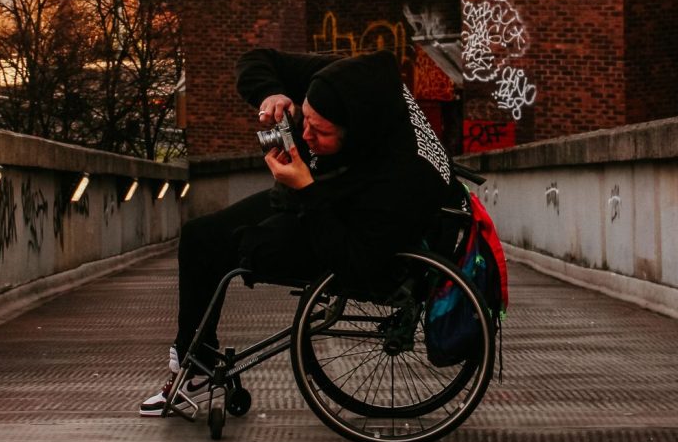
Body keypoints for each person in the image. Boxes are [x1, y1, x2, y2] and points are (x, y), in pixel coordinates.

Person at [139, 46, 462, 415]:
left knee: (233, 247)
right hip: (331, 205)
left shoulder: (402, 177)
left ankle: (194, 368)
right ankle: (196, 362)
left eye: (319, 130)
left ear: (356, 130)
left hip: (354, 238)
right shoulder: (343, 82)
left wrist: (306, 189)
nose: (304, 134)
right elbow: (255, 58)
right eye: (303, 117)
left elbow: (358, 264)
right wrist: (271, 94)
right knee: (198, 235)